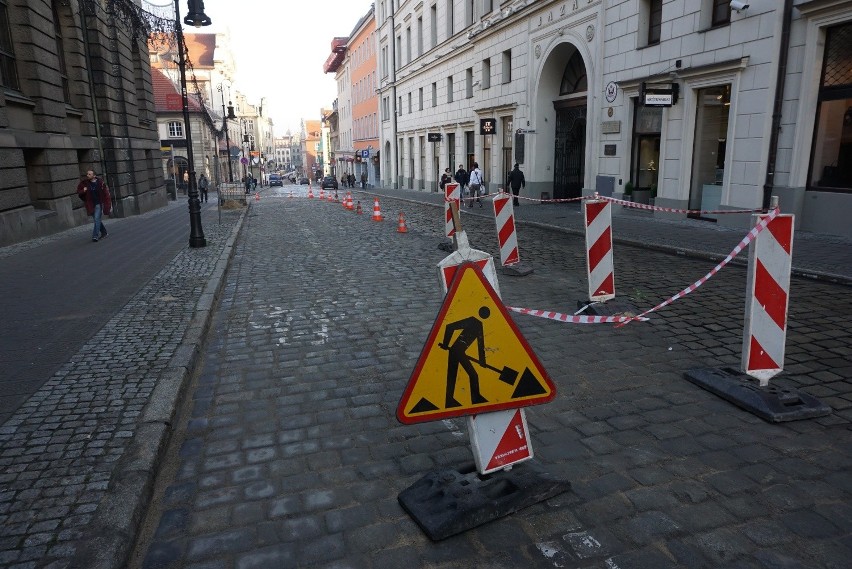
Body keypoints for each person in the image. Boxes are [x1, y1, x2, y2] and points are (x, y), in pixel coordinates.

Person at [76, 170, 111, 242]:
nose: (87, 175)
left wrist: (107, 204)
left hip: (98, 203)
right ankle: (104, 233)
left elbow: (106, 193)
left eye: (89, 174)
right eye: (87, 174)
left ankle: (95, 236)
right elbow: (79, 192)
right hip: (90, 205)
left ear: (94, 176)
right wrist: (83, 190)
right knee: (97, 219)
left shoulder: (100, 183)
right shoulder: (84, 183)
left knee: (96, 219)